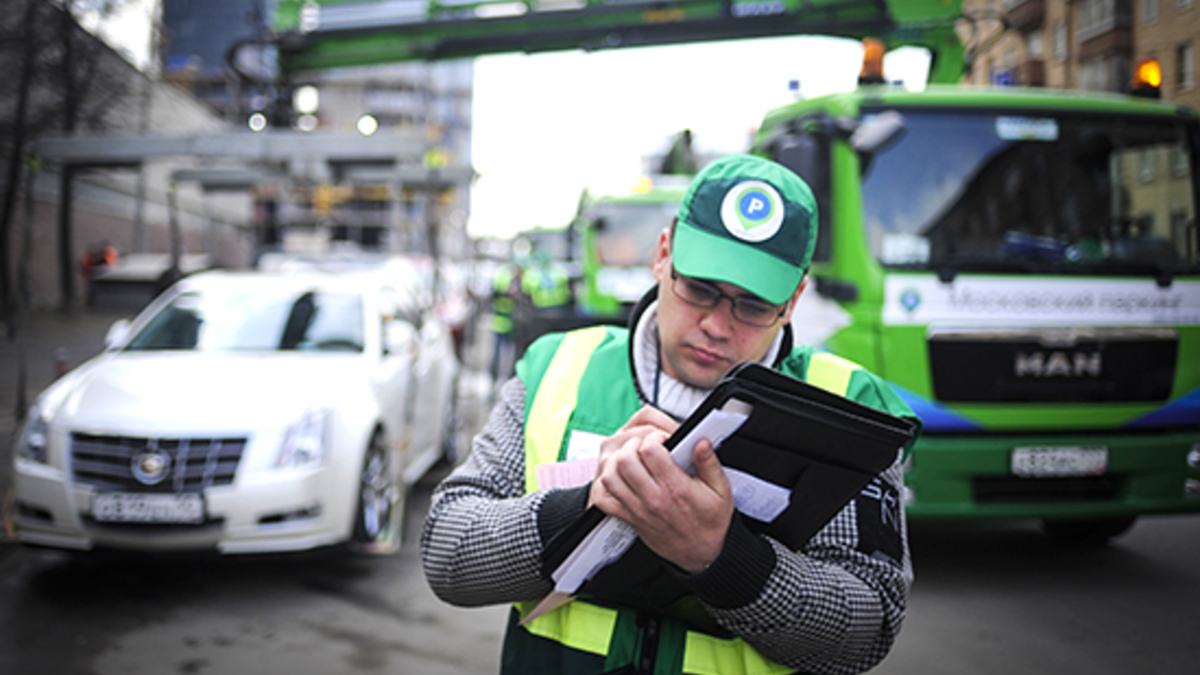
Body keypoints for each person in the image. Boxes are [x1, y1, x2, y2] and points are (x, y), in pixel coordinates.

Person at [422, 155, 919, 675]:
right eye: (700, 288)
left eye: (751, 306)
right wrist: (584, 508)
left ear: (792, 300)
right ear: (663, 256)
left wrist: (723, 558)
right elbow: (447, 553)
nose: (716, 325)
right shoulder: (556, 369)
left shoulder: (847, 409)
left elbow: (867, 628)